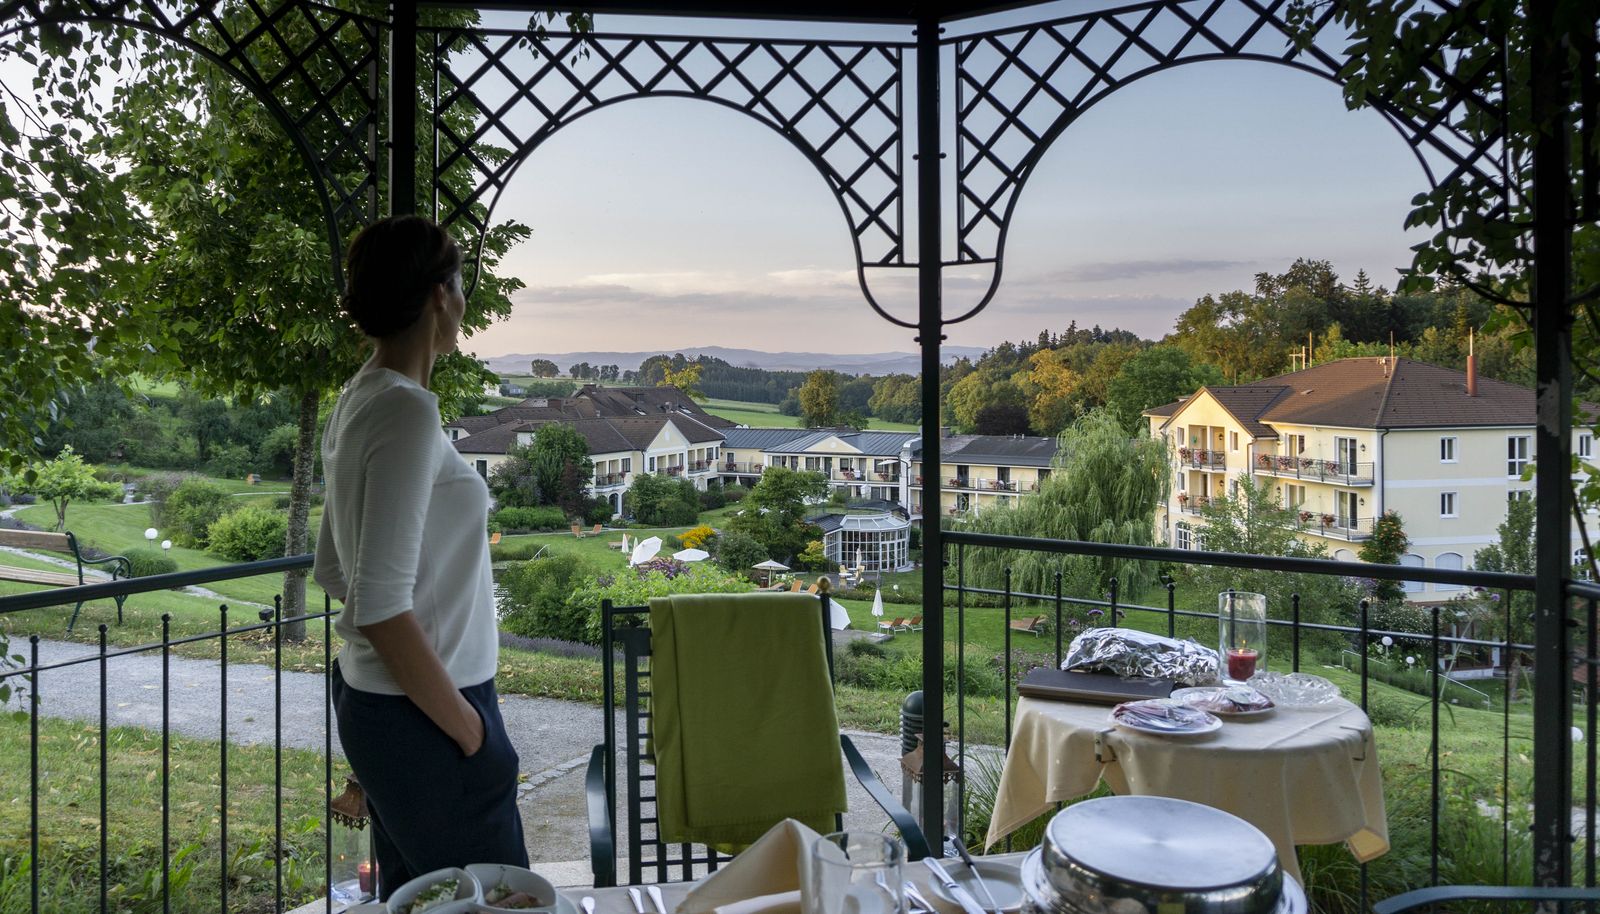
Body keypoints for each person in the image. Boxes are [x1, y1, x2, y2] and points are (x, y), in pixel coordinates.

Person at [314, 216, 526, 898]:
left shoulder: (358, 397)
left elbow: (334, 570)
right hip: (431, 714)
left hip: (392, 707)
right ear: (441, 295)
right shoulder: (405, 410)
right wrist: (469, 732)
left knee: (420, 898)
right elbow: (375, 604)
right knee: (494, 900)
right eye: (462, 284)